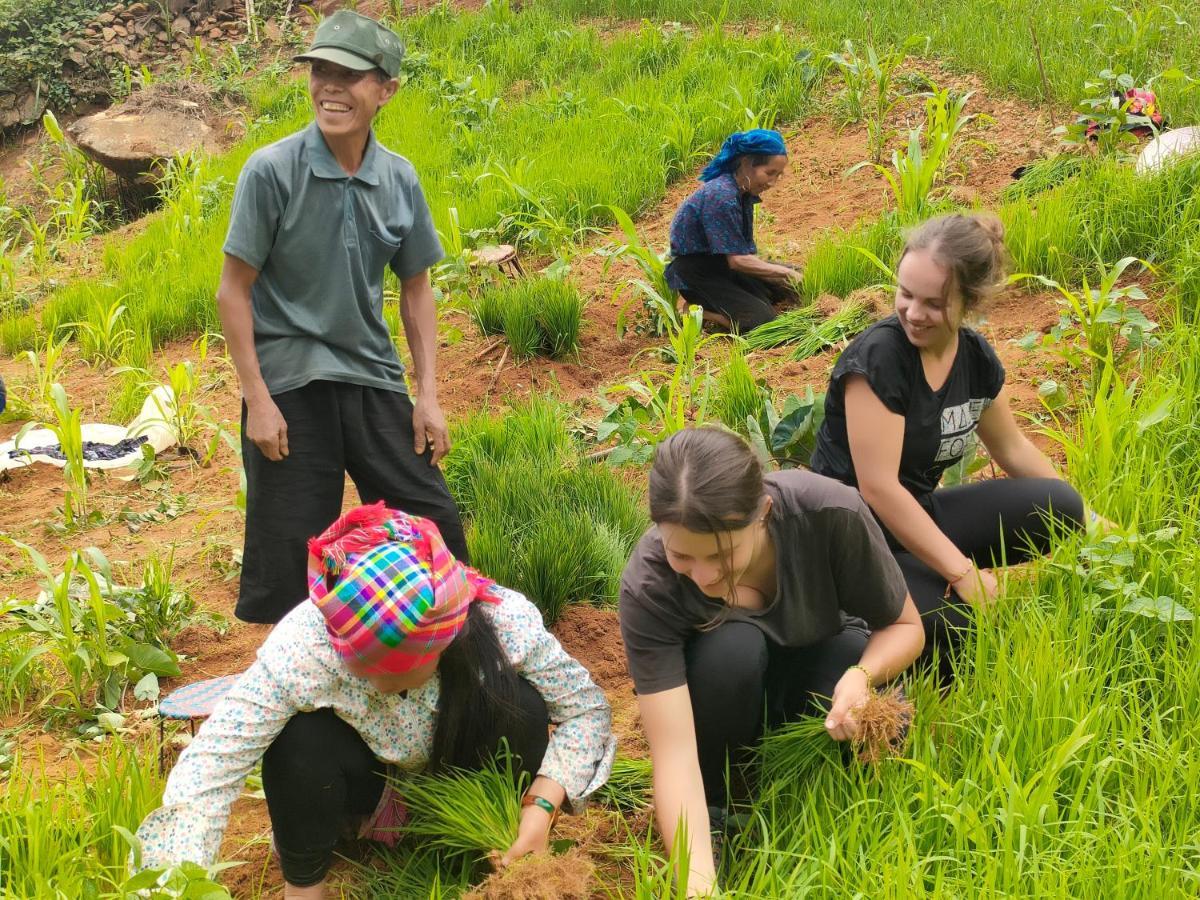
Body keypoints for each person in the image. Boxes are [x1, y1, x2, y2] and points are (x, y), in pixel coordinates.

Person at [135, 502, 615, 899]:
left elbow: (586, 710)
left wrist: (544, 805)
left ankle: (491, 852)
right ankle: (306, 890)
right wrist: (174, 884)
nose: (376, 680)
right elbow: (211, 765)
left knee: (524, 708)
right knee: (298, 741)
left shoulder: (504, 623)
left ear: (442, 643)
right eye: (363, 665)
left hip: (464, 772)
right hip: (366, 788)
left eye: (397, 668)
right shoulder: (307, 645)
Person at [216, 9, 467, 625]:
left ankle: (443, 656)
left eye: (350, 74)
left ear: (386, 90)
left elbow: (416, 287)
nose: (331, 86)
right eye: (321, 70)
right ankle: (298, 698)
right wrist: (258, 399)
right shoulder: (272, 171)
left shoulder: (399, 179)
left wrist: (428, 394)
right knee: (293, 559)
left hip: (372, 375)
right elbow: (233, 291)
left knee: (434, 525)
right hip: (291, 381)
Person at [619, 427, 924, 896]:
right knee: (732, 649)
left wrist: (862, 677)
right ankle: (722, 802)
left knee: (880, 724)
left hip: (817, 653)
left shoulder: (828, 512)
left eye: (722, 554)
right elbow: (674, 754)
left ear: (763, 513)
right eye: (682, 555)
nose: (704, 575)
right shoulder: (650, 584)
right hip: (723, 690)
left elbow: (906, 627)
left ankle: (795, 761)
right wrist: (698, 886)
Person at [809, 213, 1087, 681]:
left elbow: (1014, 449)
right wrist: (961, 573)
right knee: (960, 628)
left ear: (971, 301)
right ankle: (860, 613)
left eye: (934, 303)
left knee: (1062, 506)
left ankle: (919, 577)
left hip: (915, 516)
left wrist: (1093, 522)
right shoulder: (879, 359)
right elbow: (877, 488)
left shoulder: (974, 358)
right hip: (851, 540)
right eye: (906, 294)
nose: (914, 313)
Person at [664, 129, 802, 333]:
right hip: (698, 274)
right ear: (746, 163)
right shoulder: (722, 197)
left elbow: (739, 257)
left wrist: (787, 274)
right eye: (769, 173)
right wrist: (786, 273)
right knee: (762, 323)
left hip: (722, 265)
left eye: (778, 175)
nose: (772, 182)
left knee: (793, 281)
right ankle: (699, 313)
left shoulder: (742, 191)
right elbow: (738, 260)